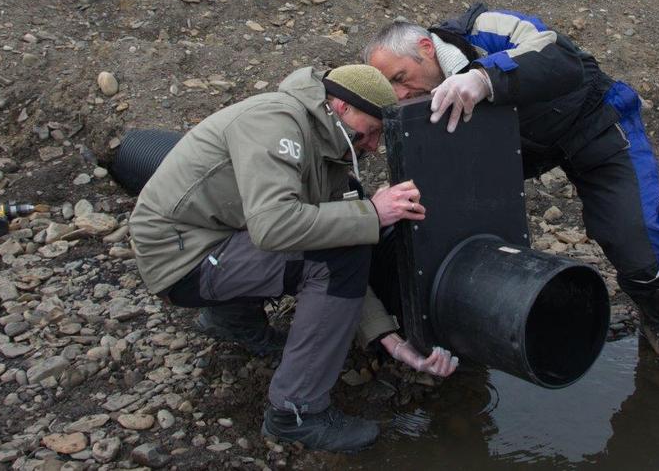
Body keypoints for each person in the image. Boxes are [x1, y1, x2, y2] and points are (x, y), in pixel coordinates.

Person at [129, 64, 457, 453]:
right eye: (369, 132)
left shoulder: (328, 145)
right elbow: (274, 229)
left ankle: (231, 319)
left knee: (339, 232)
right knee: (338, 251)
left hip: (212, 238)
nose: (371, 145)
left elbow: (326, 231)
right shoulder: (274, 122)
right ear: (340, 107)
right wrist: (372, 212)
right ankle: (296, 412)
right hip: (179, 258)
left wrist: (385, 336)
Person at [364, 4, 659, 362]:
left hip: (594, 121)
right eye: (390, 87)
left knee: (639, 240)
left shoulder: (482, 30)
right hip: (521, 150)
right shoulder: (419, 100)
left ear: (426, 48)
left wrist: (483, 78)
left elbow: (560, 57)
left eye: (400, 78)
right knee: (440, 215)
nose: (399, 94)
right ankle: (455, 321)